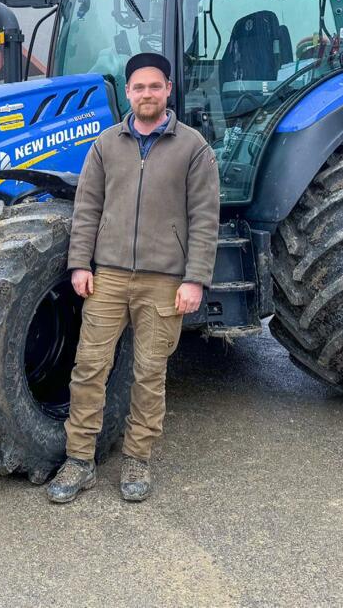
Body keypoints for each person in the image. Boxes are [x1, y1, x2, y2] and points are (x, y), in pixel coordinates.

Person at [46, 52, 220, 503]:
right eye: (138, 87)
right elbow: (86, 210)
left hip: (165, 281)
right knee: (88, 369)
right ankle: (79, 460)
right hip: (109, 277)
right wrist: (80, 264)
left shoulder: (193, 148)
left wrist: (195, 278)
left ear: (168, 90)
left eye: (154, 86)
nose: (147, 94)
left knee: (149, 372)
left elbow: (204, 218)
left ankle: (137, 459)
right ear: (128, 93)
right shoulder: (106, 145)